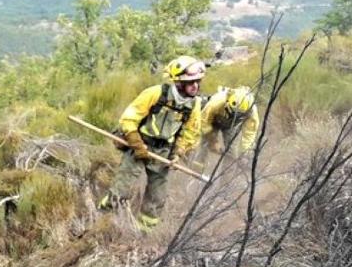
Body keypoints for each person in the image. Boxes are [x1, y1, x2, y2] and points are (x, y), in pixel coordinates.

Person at [99, 55, 206, 230]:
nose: (196, 86)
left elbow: (190, 133)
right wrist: (136, 143)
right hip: (140, 143)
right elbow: (129, 118)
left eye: (198, 81)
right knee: (122, 187)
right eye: (191, 82)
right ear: (178, 82)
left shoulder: (193, 105)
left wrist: (178, 154)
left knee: (157, 197)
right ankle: (102, 218)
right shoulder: (155, 93)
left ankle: (144, 232)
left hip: (163, 151)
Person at [201, 85, 260, 158]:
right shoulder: (218, 100)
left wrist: (245, 154)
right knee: (204, 143)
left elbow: (249, 135)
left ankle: (228, 169)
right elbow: (204, 120)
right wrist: (213, 140)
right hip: (212, 119)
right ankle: (196, 165)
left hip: (231, 126)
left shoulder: (252, 113)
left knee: (231, 153)